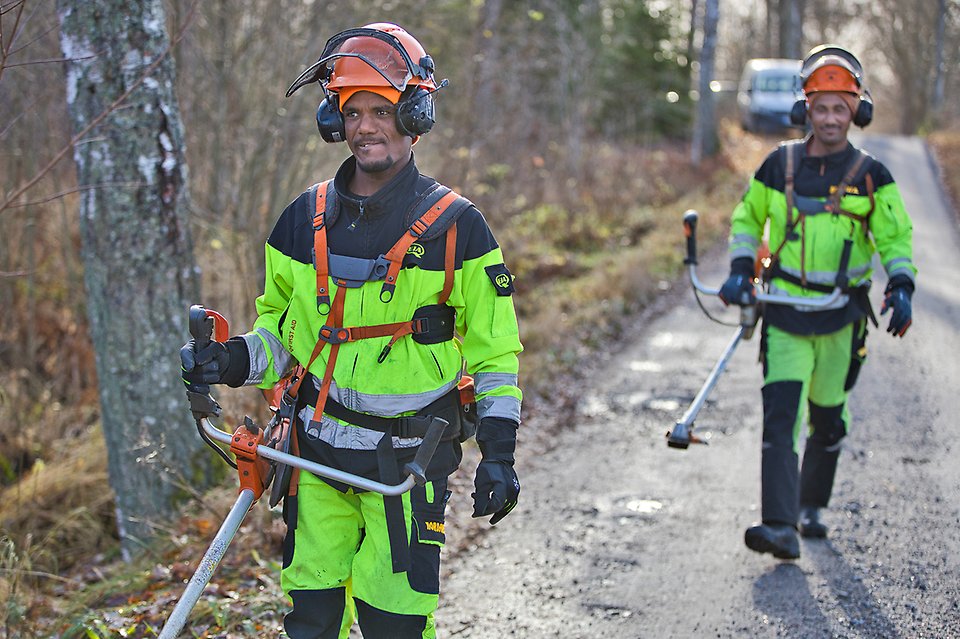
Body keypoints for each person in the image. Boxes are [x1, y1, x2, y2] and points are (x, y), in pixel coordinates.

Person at [180, 23, 523, 637]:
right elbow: (281, 339)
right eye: (352, 111)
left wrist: (499, 454)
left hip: (408, 465)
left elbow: (495, 355)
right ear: (333, 120)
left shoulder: (460, 230)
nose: (366, 126)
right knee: (312, 620)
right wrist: (228, 362)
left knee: (392, 621)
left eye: (382, 110)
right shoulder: (300, 220)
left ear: (415, 113)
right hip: (312, 457)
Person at [719, 44, 915, 560]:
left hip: (841, 319)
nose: (830, 118)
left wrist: (902, 284)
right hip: (784, 313)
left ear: (857, 111)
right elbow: (745, 221)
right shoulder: (776, 165)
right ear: (805, 108)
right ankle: (780, 526)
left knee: (827, 417)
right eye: (821, 106)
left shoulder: (874, 176)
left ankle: (811, 507)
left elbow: (895, 238)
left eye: (840, 108)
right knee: (780, 417)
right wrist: (741, 269)